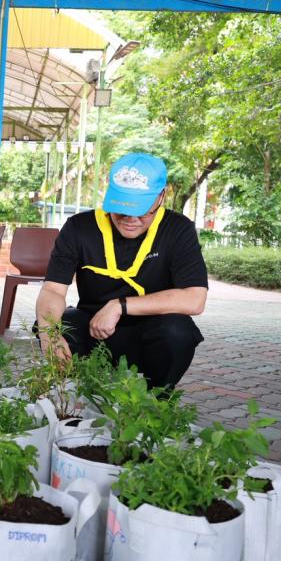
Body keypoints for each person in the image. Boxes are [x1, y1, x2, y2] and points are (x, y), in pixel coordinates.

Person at [35, 152, 208, 390]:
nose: (130, 219)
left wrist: (119, 305)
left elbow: (194, 299)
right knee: (60, 324)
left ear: (161, 196)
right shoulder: (79, 227)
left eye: (141, 209)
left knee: (178, 331)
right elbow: (53, 289)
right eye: (122, 208)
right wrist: (49, 336)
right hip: (93, 329)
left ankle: (155, 402)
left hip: (149, 333)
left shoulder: (178, 229)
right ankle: (75, 398)